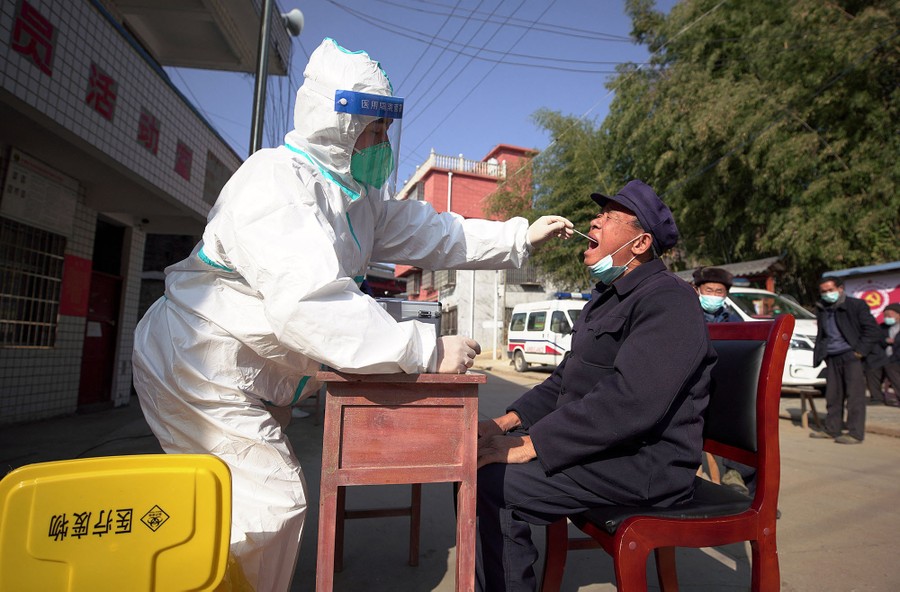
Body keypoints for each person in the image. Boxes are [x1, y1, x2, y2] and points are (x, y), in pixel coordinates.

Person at [131, 37, 573, 592]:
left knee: (230, 510)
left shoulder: (354, 198)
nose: (383, 140)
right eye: (374, 127)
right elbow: (311, 305)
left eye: (386, 128)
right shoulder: (278, 183)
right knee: (269, 505)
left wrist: (517, 236)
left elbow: (433, 231)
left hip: (237, 370)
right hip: (196, 363)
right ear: (338, 125)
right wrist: (427, 350)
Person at [475, 180, 717, 591]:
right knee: (481, 461)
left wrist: (533, 445)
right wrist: (502, 425)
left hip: (644, 465)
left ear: (639, 244)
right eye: (597, 216)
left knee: (496, 485)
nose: (594, 222)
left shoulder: (668, 300)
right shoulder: (607, 298)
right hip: (607, 449)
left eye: (607, 218)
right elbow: (564, 380)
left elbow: (631, 402)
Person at [692, 266, 754, 495]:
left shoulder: (734, 320)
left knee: (745, 424)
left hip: (726, 383)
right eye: (710, 290)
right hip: (694, 382)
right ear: (698, 290)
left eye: (719, 292)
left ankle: (738, 479)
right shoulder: (687, 313)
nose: (714, 296)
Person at [811, 276, 886, 444]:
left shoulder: (855, 305)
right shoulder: (822, 308)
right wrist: (821, 354)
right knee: (833, 396)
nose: (827, 294)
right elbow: (823, 334)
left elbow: (872, 330)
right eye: (823, 291)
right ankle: (832, 428)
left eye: (830, 290)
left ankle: (854, 432)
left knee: (855, 396)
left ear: (840, 288)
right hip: (832, 356)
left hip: (851, 356)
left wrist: (859, 352)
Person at [866, 303, 900, 407]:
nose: (887, 318)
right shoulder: (881, 328)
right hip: (883, 357)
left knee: (891, 368)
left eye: (890, 315)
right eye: (885, 315)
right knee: (872, 368)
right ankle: (876, 397)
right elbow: (877, 340)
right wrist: (885, 341)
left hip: (897, 358)